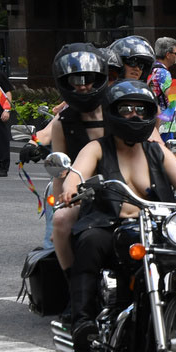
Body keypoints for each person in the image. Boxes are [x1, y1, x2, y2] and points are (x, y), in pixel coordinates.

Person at [59, 80, 176, 352]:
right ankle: (82, 322)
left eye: (141, 109)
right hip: (110, 223)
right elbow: (77, 174)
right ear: (112, 112)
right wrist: (71, 188)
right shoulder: (97, 148)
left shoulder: (155, 150)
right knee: (90, 242)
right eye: (126, 108)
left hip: (155, 224)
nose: (135, 115)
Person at [44, 44, 110, 276]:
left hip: (126, 191)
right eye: (75, 80)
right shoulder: (63, 122)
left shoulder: (120, 111)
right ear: (64, 82)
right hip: (84, 197)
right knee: (61, 222)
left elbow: (154, 150)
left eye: (89, 78)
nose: (82, 85)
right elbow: (60, 172)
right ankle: (75, 290)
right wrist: (60, 207)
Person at [148, 37, 176, 135]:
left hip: (153, 120)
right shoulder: (163, 73)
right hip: (164, 124)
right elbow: (172, 96)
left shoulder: (151, 69)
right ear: (168, 55)